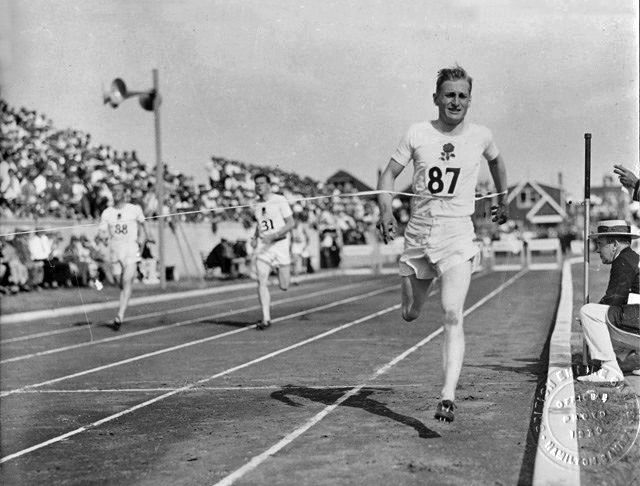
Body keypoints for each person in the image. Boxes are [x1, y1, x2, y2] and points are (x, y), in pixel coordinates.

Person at [377, 65, 508, 423]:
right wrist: (386, 209)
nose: (455, 101)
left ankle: (448, 396)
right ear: (436, 98)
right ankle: (413, 293)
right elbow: (388, 174)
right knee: (411, 313)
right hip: (419, 234)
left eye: (462, 96)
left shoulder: (481, 135)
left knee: (452, 313)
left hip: (457, 236)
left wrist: (503, 197)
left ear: (469, 100)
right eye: (449, 95)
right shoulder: (417, 133)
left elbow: (496, 161)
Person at [577, 220, 640, 382]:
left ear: (614, 244)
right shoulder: (633, 258)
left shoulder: (624, 261)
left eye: (600, 244)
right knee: (609, 315)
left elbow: (614, 299)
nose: (597, 250)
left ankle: (610, 370)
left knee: (588, 313)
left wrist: (588, 320)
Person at [99, 183, 151, 330]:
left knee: (127, 280)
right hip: (116, 250)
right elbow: (102, 231)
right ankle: (123, 301)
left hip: (131, 249)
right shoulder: (107, 212)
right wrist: (102, 237)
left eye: (118, 191)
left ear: (124, 193)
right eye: (113, 191)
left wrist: (147, 235)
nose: (116, 194)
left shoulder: (134, 209)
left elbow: (144, 223)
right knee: (119, 282)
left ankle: (119, 316)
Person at [251, 172, 295, 330]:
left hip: (280, 245)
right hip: (264, 248)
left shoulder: (279, 200)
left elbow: (291, 223)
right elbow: (260, 224)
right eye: (256, 183)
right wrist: (255, 237)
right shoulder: (256, 205)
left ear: (269, 185)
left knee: (284, 286)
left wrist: (275, 235)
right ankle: (266, 318)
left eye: (262, 183)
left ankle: (279, 270)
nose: (259, 186)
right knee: (261, 281)